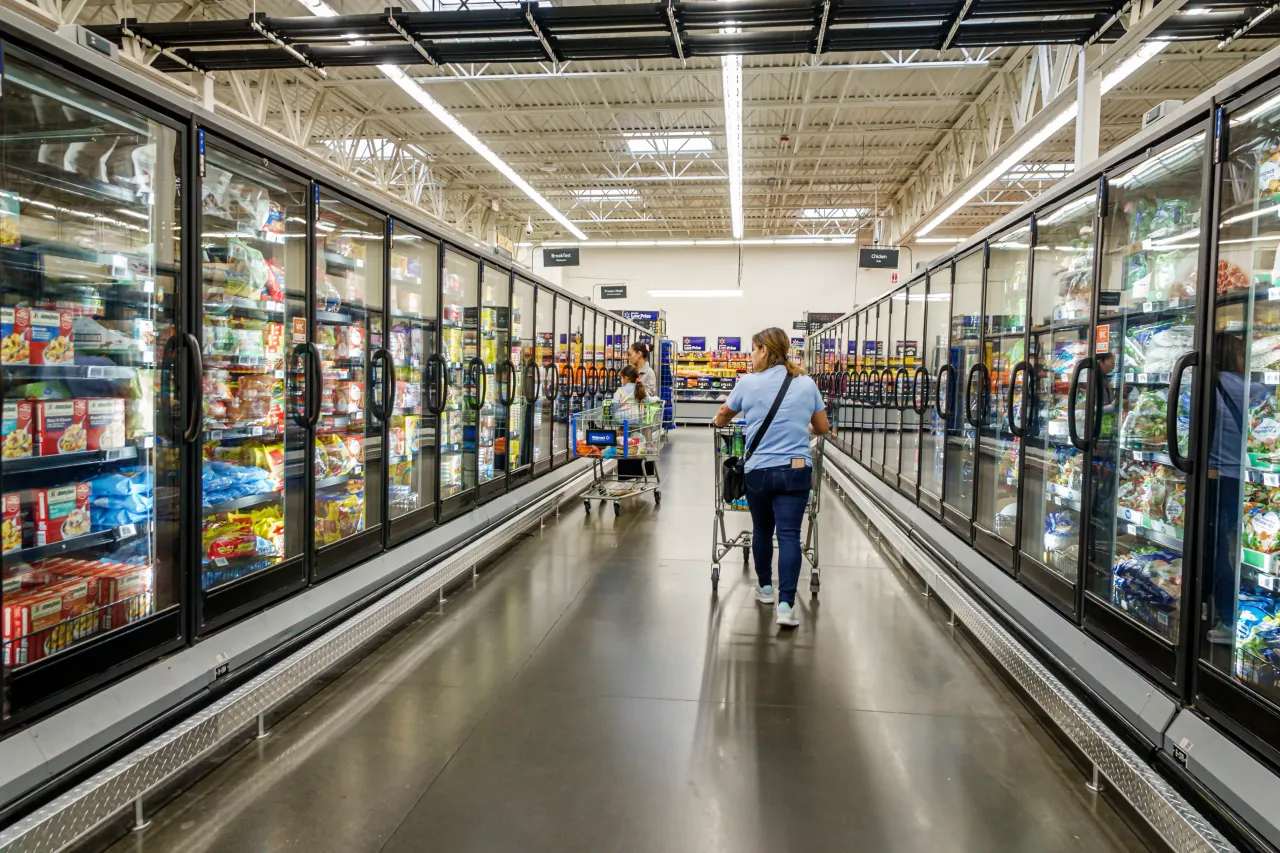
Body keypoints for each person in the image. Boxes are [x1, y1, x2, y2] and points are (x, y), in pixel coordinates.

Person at [713, 327, 830, 627]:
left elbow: (724, 416)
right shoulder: (806, 383)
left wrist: (718, 418)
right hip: (795, 470)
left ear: (764, 350)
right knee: (789, 534)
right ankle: (787, 605)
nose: (751, 356)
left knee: (763, 529)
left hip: (759, 472)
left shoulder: (747, 383)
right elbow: (823, 427)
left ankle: (765, 587)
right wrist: (803, 429)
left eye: (753, 350)